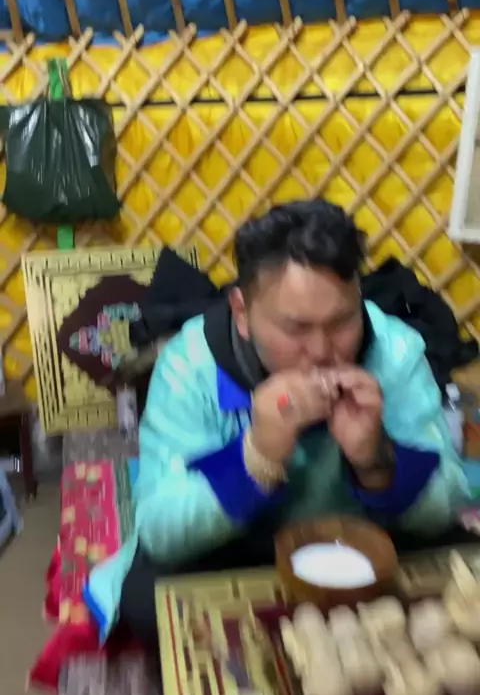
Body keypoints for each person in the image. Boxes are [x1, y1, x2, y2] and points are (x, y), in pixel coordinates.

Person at [85, 199, 469, 646]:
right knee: (147, 596)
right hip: (242, 548)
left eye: (341, 322)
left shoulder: (396, 354)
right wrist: (258, 457)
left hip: (363, 540)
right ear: (242, 313)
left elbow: (450, 500)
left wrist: (376, 461)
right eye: (296, 329)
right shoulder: (191, 366)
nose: (322, 351)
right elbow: (160, 527)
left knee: (466, 560)